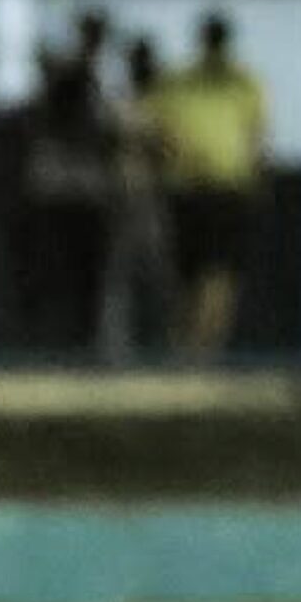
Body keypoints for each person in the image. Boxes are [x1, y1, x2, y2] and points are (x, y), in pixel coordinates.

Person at [155, 11, 267, 359]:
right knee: (185, 275)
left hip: (227, 189)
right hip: (189, 189)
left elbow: (257, 137)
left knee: (219, 275)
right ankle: (184, 348)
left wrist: (254, 179)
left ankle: (205, 350)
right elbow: (161, 131)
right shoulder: (178, 81)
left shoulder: (244, 82)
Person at [19, 10, 117, 353]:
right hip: (58, 188)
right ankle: (47, 339)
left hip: (82, 191)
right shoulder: (67, 73)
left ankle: (79, 342)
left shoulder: (92, 78)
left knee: (83, 275)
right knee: (52, 271)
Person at [100, 35, 175, 361]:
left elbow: (170, 147)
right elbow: (109, 142)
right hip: (121, 194)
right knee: (118, 274)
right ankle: (116, 349)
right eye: (138, 61)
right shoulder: (119, 101)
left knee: (162, 273)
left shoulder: (165, 101)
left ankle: (171, 346)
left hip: (158, 196)